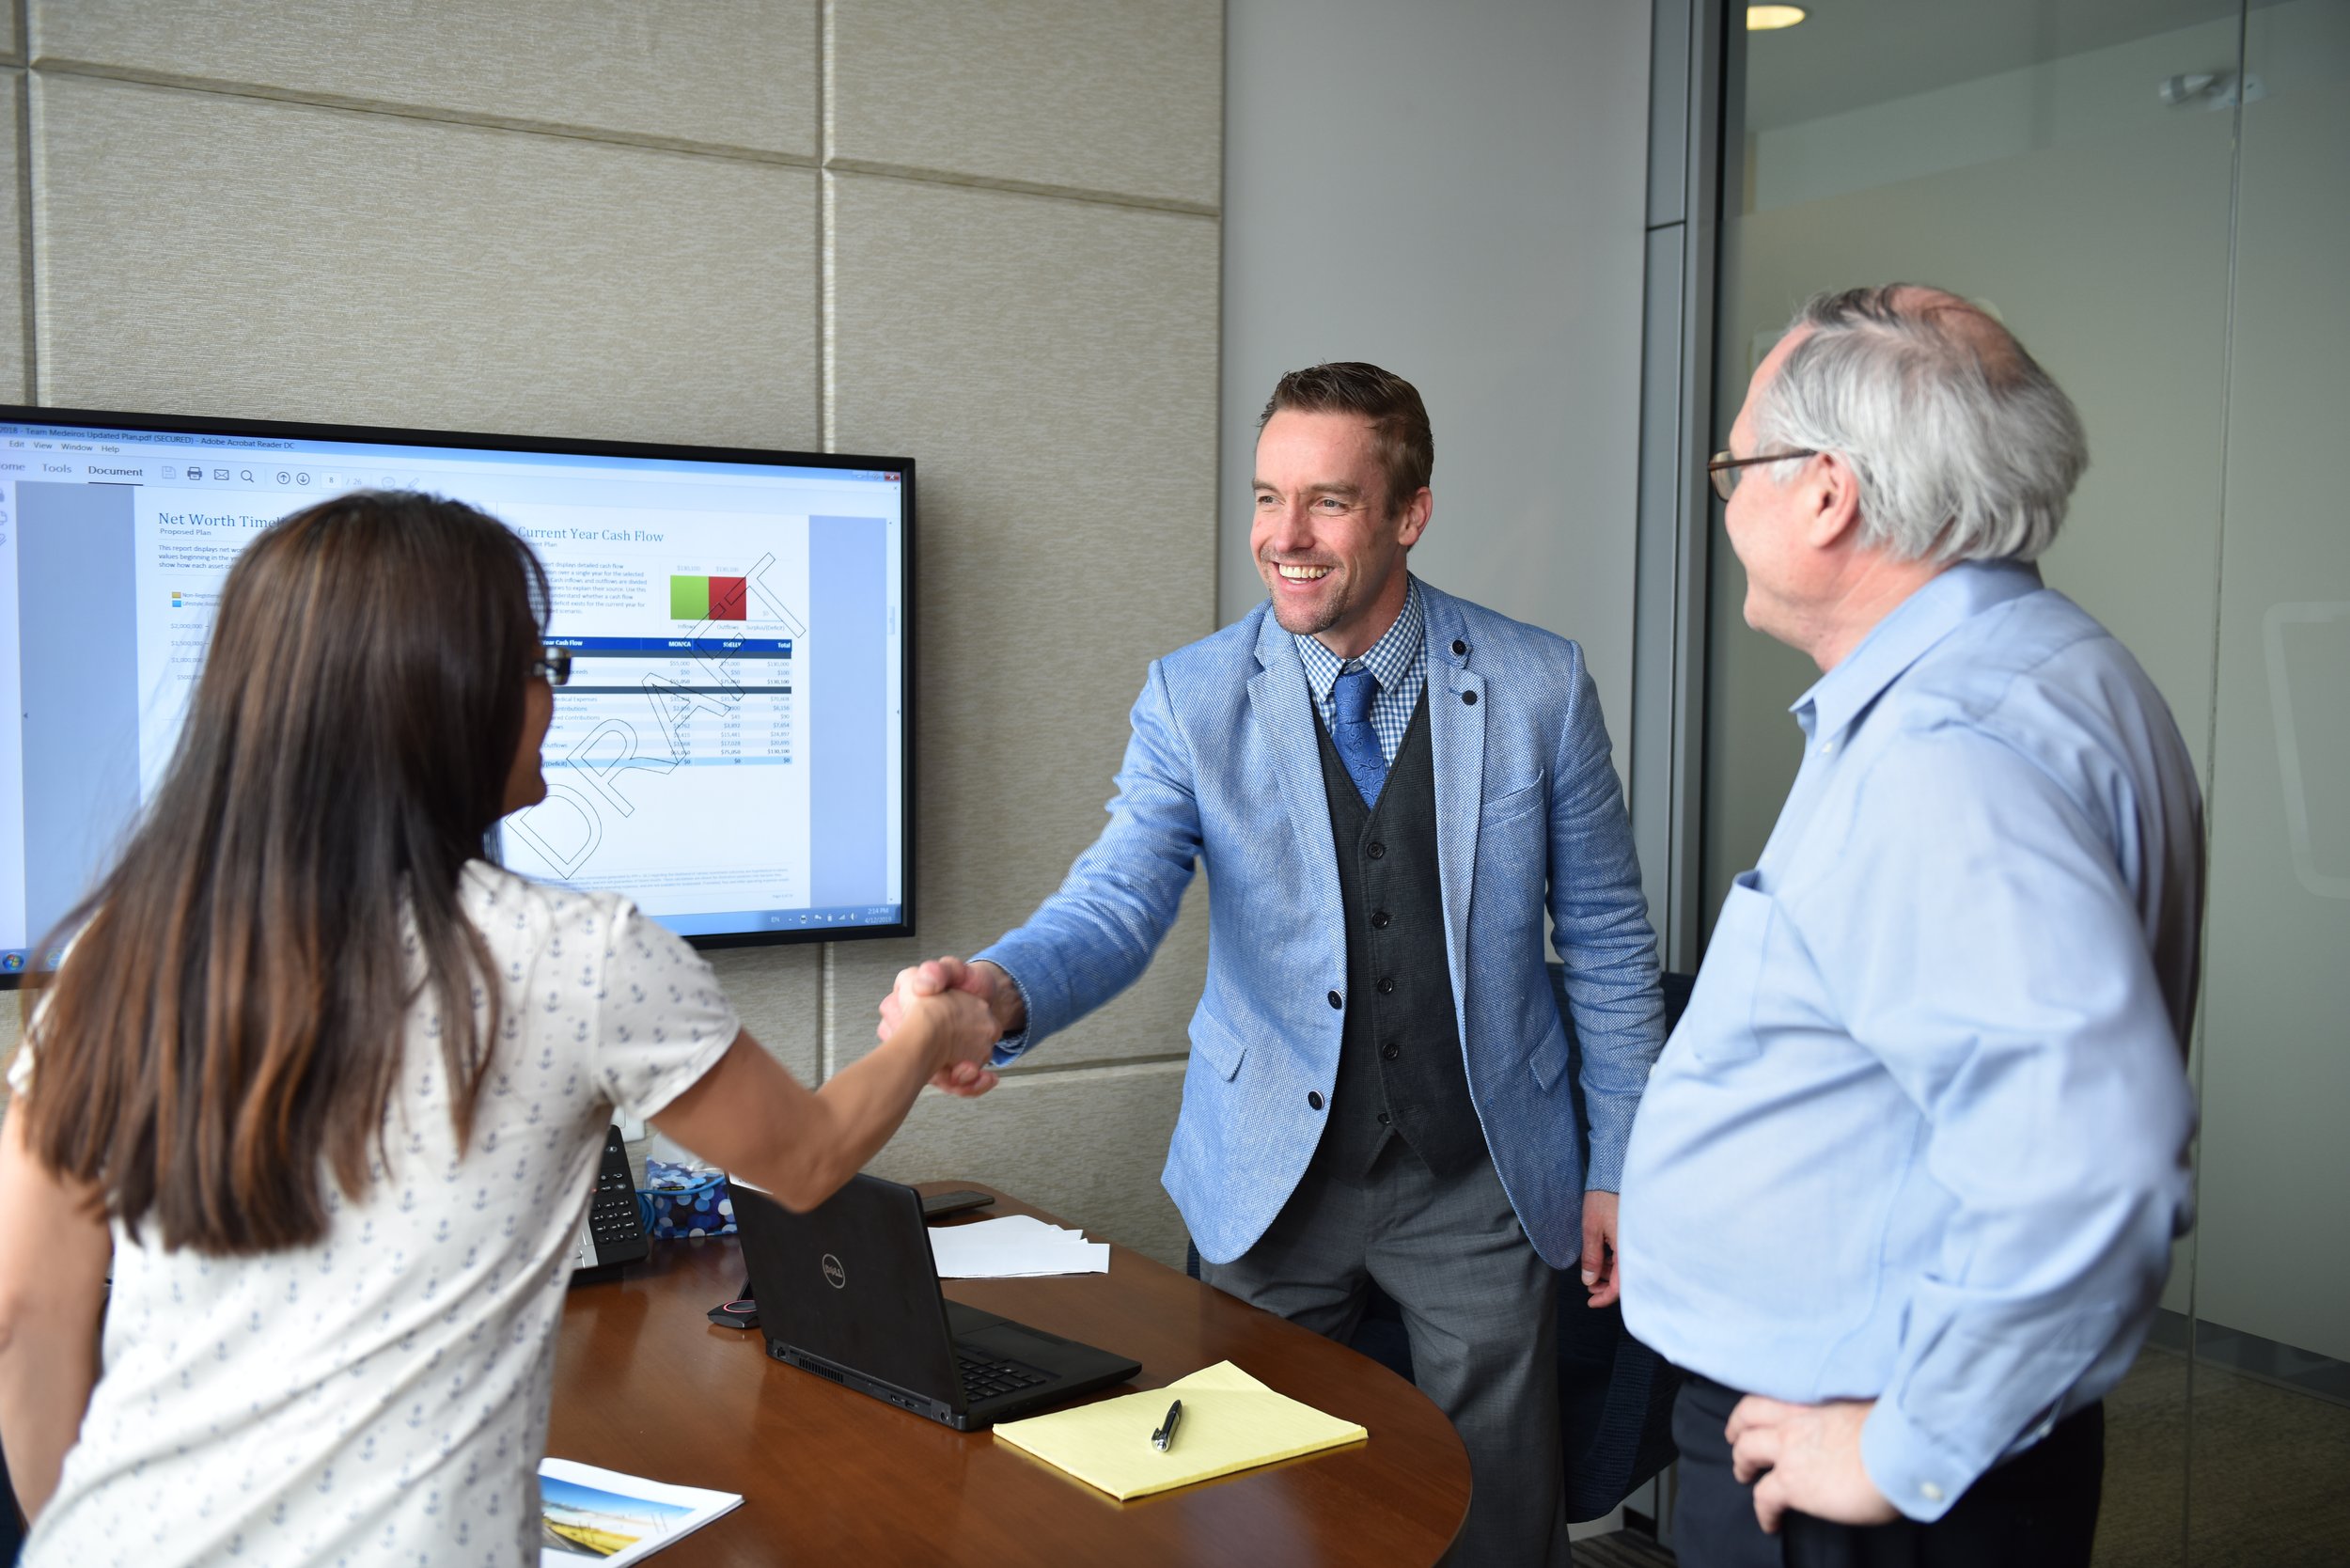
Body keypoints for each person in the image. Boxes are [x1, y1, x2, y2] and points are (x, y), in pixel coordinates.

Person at [0, 492, 996, 1567]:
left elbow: (26, 1317)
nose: (549, 698)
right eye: (536, 667)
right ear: (443, 697)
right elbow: (805, 1160)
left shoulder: (110, 959)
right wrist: (931, 1027)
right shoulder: (579, 954)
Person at [886, 362, 1665, 1565]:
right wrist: (995, 992)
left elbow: (1609, 941)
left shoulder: (1535, 685)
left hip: (1479, 1174)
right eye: (1266, 498)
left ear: (1408, 514)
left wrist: (1619, 1160)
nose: (1283, 539)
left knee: (1496, 1520)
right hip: (1267, 1178)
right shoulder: (1192, 699)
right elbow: (1117, 898)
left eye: (1327, 503)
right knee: (1249, 1511)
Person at [1618, 286, 2201, 1565]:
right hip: (1928, 1430)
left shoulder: (1948, 749)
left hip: (1869, 1464)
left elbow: (2095, 1158)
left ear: (1826, 493)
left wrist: (1905, 1446)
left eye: (1736, 464)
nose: (1726, 502)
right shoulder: (2051, 668)